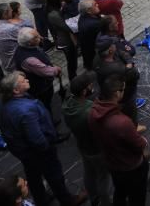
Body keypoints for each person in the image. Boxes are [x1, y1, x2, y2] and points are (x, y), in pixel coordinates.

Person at [0, 72, 86, 206]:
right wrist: (48, 147)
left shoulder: (1, 103)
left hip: (21, 149)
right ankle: (67, 200)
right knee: (54, 175)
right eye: (23, 80)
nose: (27, 80)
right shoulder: (26, 111)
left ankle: (41, 199)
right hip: (38, 152)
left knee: (33, 175)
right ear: (15, 90)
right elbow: (38, 140)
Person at [89, 74, 150, 206]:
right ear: (117, 93)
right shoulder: (122, 123)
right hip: (131, 167)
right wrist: (144, 142)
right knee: (137, 197)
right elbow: (139, 144)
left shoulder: (93, 112)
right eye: (123, 89)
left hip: (112, 162)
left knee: (120, 191)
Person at [63, 72, 113, 206]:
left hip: (83, 146)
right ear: (85, 90)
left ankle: (93, 197)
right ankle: (106, 202)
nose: (93, 86)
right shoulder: (90, 111)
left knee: (89, 173)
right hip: (97, 149)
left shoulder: (67, 104)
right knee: (104, 178)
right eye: (90, 85)